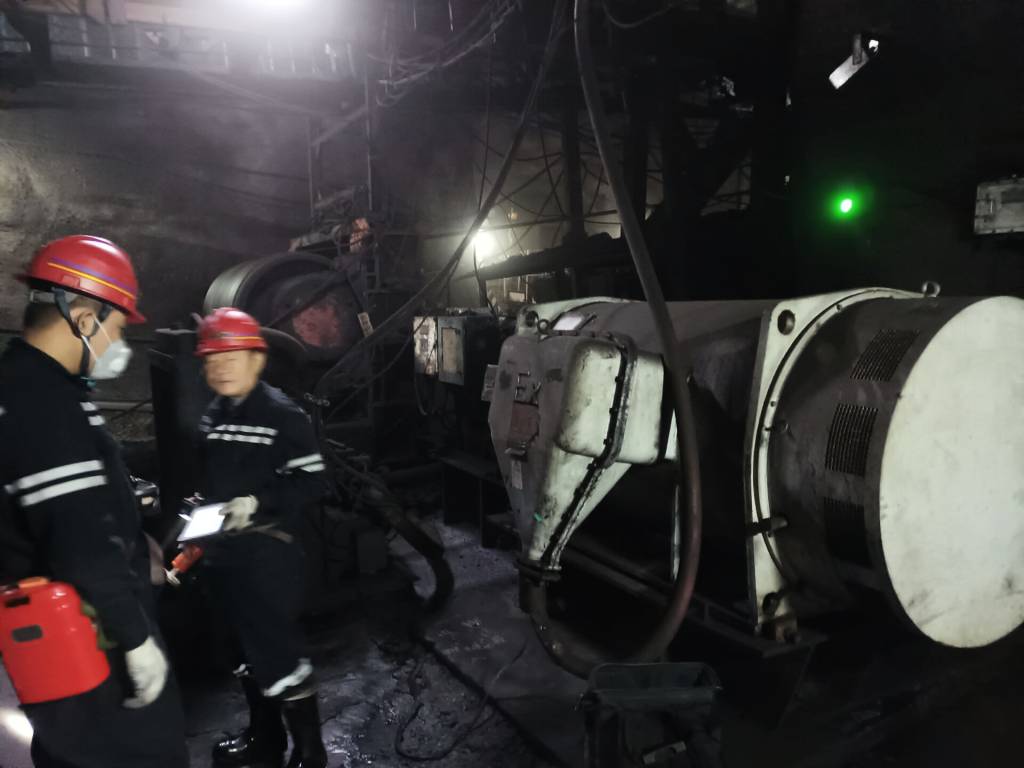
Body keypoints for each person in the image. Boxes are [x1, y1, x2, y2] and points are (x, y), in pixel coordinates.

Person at [0, 235, 189, 768]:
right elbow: (79, 544)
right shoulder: (45, 405)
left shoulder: (25, 384)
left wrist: (138, 545)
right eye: (118, 328)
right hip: (90, 641)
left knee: (68, 749)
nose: (118, 344)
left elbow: (73, 508)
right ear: (85, 319)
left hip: (52, 643)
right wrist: (135, 640)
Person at [195, 307, 329, 768]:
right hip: (225, 554)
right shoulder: (215, 415)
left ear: (257, 359)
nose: (221, 368)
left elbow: (313, 482)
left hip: (269, 556)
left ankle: (310, 753)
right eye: (212, 359)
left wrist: (257, 501)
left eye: (231, 357)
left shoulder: (282, 415)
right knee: (240, 650)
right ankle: (264, 738)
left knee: (278, 652)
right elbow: (213, 480)